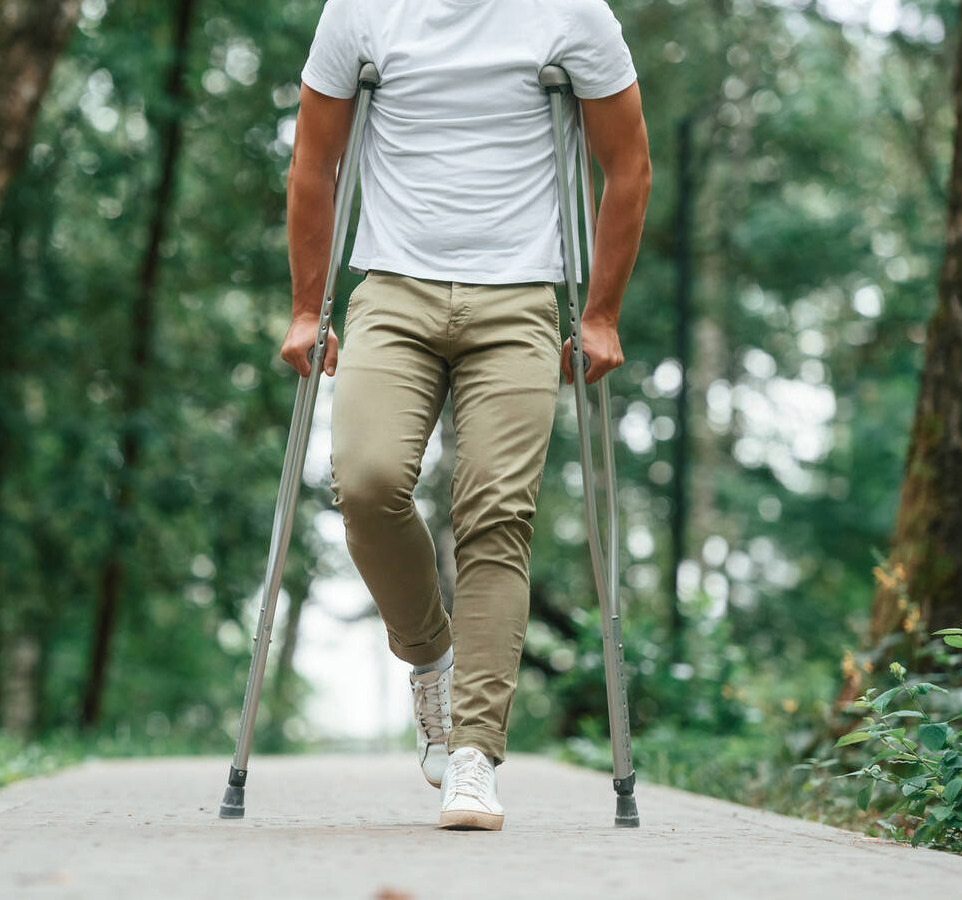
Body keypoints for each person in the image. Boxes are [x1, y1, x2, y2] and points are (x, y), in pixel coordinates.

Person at [282, 0, 651, 830]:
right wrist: (310, 306)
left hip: (519, 299)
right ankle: (432, 658)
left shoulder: (573, 14)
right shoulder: (361, 11)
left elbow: (627, 164)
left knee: (495, 515)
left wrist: (599, 314)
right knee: (367, 483)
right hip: (391, 290)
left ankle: (473, 754)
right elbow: (316, 157)